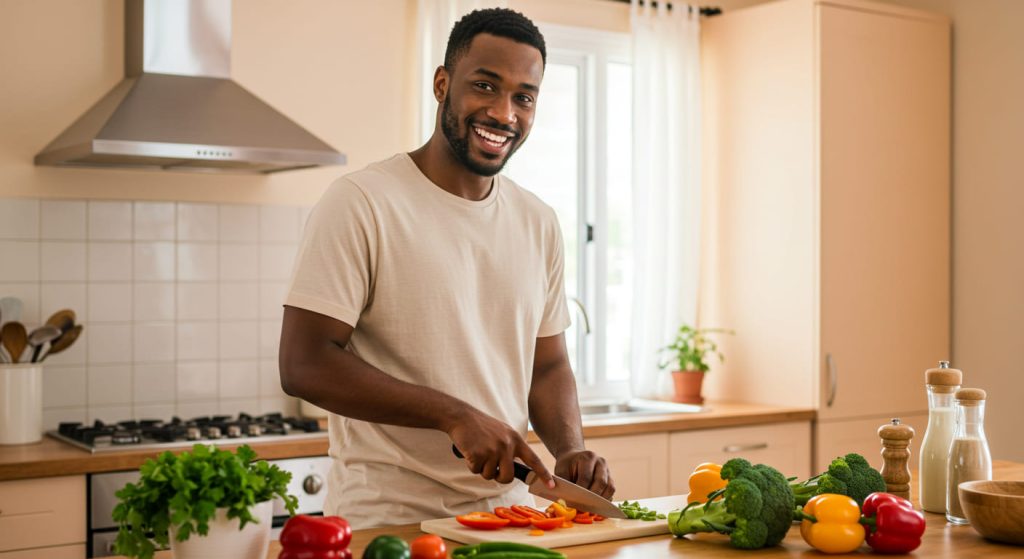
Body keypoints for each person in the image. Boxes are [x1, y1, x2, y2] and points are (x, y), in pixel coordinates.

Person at [279, 7, 615, 529]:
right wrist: (453, 415)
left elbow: (546, 368)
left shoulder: (538, 222)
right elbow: (303, 363)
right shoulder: (362, 202)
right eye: (485, 86)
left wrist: (571, 448)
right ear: (442, 85)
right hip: (387, 520)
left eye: (524, 97)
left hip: (510, 517)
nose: (505, 113)